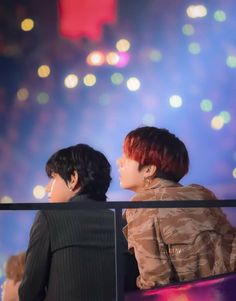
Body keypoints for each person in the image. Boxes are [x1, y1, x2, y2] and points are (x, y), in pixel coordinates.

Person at [117, 126, 236, 290]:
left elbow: (154, 283)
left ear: (149, 170)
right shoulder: (201, 194)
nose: (119, 161)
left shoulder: (142, 204)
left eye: (127, 156)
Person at [19, 144, 115, 301]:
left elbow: (29, 293)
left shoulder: (49, 218)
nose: (47, 187)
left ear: (73, 179)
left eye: (53, 177)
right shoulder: (121, 221)